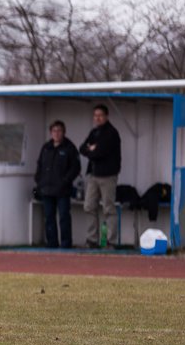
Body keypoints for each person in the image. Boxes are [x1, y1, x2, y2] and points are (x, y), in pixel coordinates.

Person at [34, 120, 81, 248]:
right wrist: (39, 181)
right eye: (54, 131)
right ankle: (52, 242)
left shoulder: (69, 147)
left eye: (59, 130)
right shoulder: (46, 147)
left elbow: (76, 168)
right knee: (49, 217)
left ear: (64, 132)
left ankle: (66, 243)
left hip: (63, 190)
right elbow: (39, 165)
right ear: (50, 132)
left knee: (64, 217)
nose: (56, 133)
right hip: (47, 189)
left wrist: (65, 181)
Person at [80, 103, 122, 248]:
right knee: (89, 206)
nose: (97, 118)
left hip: (108, 176)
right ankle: (92, 239)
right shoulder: (94, 132)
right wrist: (91, 149)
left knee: (108, 208)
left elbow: (99, 153)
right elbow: (82, 148)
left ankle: (111, 241)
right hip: (93, 175)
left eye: (100, 115)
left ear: (106, 116)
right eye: (95, 115)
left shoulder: (111, 133)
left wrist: (92, 149)